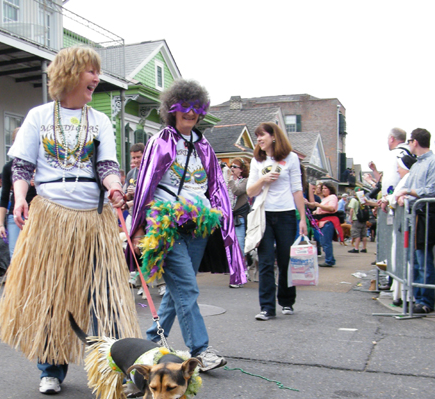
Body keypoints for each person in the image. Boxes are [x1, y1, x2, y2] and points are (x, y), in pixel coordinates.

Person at [0, 46, 139, 395]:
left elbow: (106, 165)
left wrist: (116, 188)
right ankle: (50, 369)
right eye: (90, 71)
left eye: (96, 71)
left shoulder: (99, 120)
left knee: (103, 296)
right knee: (52, 295)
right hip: (51, 215)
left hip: (94, 218)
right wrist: (17, 199)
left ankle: (111, 369)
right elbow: (22, 165)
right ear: (70, 73)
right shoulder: (39, 116)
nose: (96, 78)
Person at [127, 78, 243, 368]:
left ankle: (150, 341)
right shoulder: (161, 141)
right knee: (188, 289)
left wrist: (221, 219)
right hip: (168, 226)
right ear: (172, 110)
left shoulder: (204, 146)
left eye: (196, 108)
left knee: (178, 290)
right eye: (184, 107)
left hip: (199, 227)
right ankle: (200, 350)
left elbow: (215, 186)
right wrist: (140, 225)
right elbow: (146, 184)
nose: (190, 113)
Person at [246, 122, 308, 319]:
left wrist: (302, 219)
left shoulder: (291, 158)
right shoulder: (257, 160)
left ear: (274, 136)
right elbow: (250, 191)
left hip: (286, 214)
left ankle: (287, 301)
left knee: (285, 260)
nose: (259, 140)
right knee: (264, 261)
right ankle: (266, 308)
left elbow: (297, 189)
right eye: (257, 137)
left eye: (262, 135)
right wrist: (263, 180)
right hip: (264, 213)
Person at [393, 128, 435, 314]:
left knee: (424, 260)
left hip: (427, 214)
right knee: (414, 260)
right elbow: (408, 188)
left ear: (415, 142)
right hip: (414, 215)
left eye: (410, 141)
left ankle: (426, 300)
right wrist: (403, 196)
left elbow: (431, 190)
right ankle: (417, 297)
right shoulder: (417, 165)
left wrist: (406, 193)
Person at [306, 182, 342, 267]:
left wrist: (318, 205)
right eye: (322, 188)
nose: (323, 190)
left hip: (327, 222)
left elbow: (331, 208)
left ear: (330, 189)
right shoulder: (325, 198)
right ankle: (330, 259)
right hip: (322, 222)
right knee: (323, 241)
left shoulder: (332, 197)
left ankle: (329, 260)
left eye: (325, 188)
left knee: (326, 242)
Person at [227, 157, 250, 286]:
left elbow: (237, 191)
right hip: (228, 217)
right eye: (231, 166)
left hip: (239, 217)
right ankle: (238, 271)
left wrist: (231, 180)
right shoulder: (227, 180)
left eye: (235, 167)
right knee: (230, 247)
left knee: (240, 246)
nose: (232, 169)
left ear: (241, 170)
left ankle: (240, 273)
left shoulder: (245, 181)